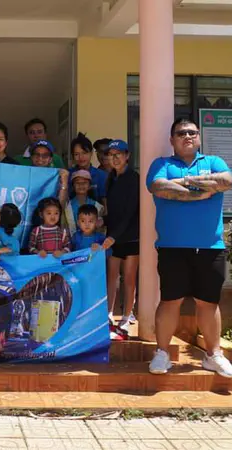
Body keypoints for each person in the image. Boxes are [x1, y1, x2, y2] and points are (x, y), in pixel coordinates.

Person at [147, 118, 232, 378]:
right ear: (172, 139)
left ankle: (213, 356)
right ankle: (162, 353)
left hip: (211, 246)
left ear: (198, 137)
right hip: (172, 247)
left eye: (192, 132)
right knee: (170, 301)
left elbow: (226, 181)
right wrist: (201, 190)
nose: (187, 136)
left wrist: (185, 183)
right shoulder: (162, 164)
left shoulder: (214, 161)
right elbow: (159, 187)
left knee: (208, 303)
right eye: (181, 133)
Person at [104, 139, 140, 331]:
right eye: (111, 155)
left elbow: (130, 211)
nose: (115, 158)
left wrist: (114, 235)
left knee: (129, 276)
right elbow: (112, 210)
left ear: (127, 156)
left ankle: (127, 315)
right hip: (114, 236)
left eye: (118, 154)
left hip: (132, 235)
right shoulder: (110, 178)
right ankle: (108, 314)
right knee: (112, 275)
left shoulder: (134, 178)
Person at [69, 133, 108, 202]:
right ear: (72, 156)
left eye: (84, 153)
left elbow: (105, 204)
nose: (81, 157)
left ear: (91, 153)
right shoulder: (68, 175)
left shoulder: (101, 175)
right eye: (76, 154)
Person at [64, 170, 105, 236]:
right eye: (77, 183)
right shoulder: (67, 207)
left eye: (84, 183)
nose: (81, 185)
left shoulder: (98, 206)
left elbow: (100, 230)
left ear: (89, 186)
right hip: (72, 243)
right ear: (73, 186)